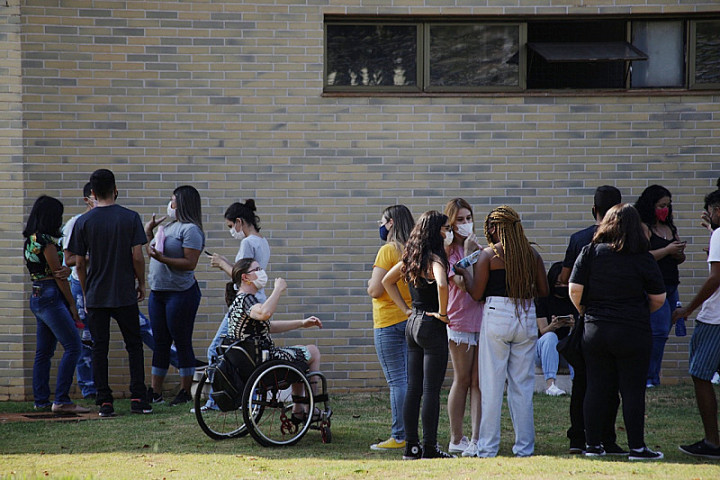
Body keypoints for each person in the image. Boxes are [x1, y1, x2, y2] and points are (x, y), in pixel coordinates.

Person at [569, 203, 666, 460]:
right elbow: (659, 297)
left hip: (596, 328)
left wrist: (585, 312)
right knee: (632, 389)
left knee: (596, 386)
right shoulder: (643, 257)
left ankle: (592, 445)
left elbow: (574, 289)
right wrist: (638, 312)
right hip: (633, 330)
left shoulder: (590, 252)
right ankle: (637, 447)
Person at [458, 205, 548, 458]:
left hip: (497, 314)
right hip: (526, 315)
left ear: (495, 228)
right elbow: (544, 290)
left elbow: (476, 294)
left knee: (492, 384)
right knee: (522, 385)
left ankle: (487, 448)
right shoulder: (531, 254)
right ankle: (524, 447)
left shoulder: (489, 255)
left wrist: (465, 272)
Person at [67, 169, 152, 417]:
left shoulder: (83, 222)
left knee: (99, 348)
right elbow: (137, 256)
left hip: (96, 294)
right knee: (134, 345)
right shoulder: (130, 218)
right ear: (115, 189)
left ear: (92, 193)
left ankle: (105, 401)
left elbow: (78, 263)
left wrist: (85, 289)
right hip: (124, 292)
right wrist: (141, 283)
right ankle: (138, 398)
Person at [382, 210, 454, 460]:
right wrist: (443, 313)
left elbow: (386, 282)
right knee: (431, 390)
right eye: (445, 228)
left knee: (414, 389)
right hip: (432, 325)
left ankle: (411, 448)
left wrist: (405, 309)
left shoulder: (411, 257)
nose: (448, 232)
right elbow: (443, 284)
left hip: (413, 324)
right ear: (436, 231)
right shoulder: (435, 258)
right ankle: (430, 449)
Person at [557, 185, 623, 454]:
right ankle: (607, 438)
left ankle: (578, 437)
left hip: (586, 317)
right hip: (617, 318)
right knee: (611, 384)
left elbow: (564, 278)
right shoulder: (626, 240)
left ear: (593, 210)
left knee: (582, 382)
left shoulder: (579, 239)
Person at [225, 258, 323, 419]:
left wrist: (301, 323)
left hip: (250, 361)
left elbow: (268, 326)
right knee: (313, 351)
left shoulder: (237, 301)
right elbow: (265, 313)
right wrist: (277, 290)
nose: (262, 272)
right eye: (257, 269)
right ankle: (310, 408)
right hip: (263, 361)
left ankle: (299, 409)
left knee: (300, 352)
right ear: (245, 277)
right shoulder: (247, 299)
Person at [23, 196, 89, 415]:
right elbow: (59, 275)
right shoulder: (47, 242)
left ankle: (41, 400)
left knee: (44, 352)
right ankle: (61, 400)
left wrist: (64, 270)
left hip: (37, 294)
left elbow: (57, 270)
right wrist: (72, 306)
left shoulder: (31, 239)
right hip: (52, 296)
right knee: (74, 346)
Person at [144, 186, 205, 406]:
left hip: (180, 294)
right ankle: (155, 391)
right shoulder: (169, 226)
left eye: (173, 201)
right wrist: (149, 232)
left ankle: (185, 391)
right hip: (158, 292)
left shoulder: (191, 230)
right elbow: (154, 250)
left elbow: (189, 264)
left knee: (181, 340)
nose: (170, 205)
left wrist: (162, 260)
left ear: (183, 203)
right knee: (160, 342)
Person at [674, 188, 720, 459]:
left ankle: (712, 442)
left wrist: (688, 309)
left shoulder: (718, 235)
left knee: (700, 374)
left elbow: (716, 278)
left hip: (714, 319)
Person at [367, 205, 415, 452]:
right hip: (410, 320)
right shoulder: (413, 250)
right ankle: (411, 432)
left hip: (388, 322)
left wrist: (369, 284)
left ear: (391, 223)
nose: (379, 224)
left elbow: (375, 289)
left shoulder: (388, 250)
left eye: (382, 220)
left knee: (397, 381)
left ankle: (400, 435)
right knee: (408, 380)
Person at [206, 200, 270, 364]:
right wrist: (227, 263)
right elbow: (248, 270)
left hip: (244, 302)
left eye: (230, 226)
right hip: (257, 300)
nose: (232, 231)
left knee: (215, 350)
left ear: (239, 222)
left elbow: (242, 276)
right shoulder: (262, 241)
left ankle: (220, 389)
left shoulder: (247, 242)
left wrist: (221, 264)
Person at [634, 185, 686, 388]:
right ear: (651, 206)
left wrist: (678, 253)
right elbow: (643, 257)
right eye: (661, 205)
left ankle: (653, 374)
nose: (665, 209)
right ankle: (649, 377)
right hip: (655, 287)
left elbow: (678, 258)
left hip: (672, 285)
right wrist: (667, 250)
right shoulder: (644, 228)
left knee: (664, 331)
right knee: (659, 330)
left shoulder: (670, 228)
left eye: (668, 205)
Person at [443, 198, 483, 457]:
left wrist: (474, 251)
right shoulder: (447, 252)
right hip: (459, 320)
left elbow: (483, 282)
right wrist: (468, 254)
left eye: (469, 218)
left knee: (479, 382)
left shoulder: (479, 248)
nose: (466, 224)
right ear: (450, 223)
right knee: (463, 379)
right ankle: (456, 437)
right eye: (460, 219)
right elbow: (460, 282)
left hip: (483, 318)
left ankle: (477, 438)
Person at [62, 182, 97, 400]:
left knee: (140, 327)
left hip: (107, 284)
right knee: (85, 339)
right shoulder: (75, 223)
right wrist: (91, 257)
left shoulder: (109, 219)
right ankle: (89, 388)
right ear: (87, 200)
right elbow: (68, 260)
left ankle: (182, 363)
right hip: (80, 284)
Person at [534, 262, 574, 397]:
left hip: (565, 351)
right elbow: (543, 330)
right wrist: (553, 326)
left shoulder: (573, 300)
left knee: (576, 337)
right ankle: (550, 385)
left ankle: (578, 382)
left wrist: (574, 326)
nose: (562, 287)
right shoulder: (542, 300)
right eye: (558, 284)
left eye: (565, 284)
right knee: (551, 336)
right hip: (543, 351)